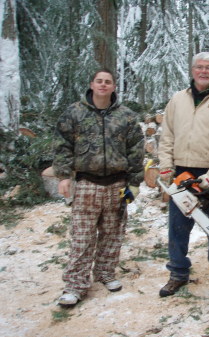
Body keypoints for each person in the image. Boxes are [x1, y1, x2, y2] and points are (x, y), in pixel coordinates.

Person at [53, 69, 144, 308]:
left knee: (113, 234)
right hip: (86, 183)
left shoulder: (127, 117)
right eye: (99, 81)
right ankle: (75, 285)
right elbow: (63, 146)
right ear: (92, 84)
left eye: (108, 82)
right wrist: (64, 176)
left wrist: (134, 183)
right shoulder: (74, 113)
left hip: (118, 184)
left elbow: (136, 150)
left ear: (114, 87)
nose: (103, 85)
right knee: (82, 237)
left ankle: (105, 273)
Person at [157, 52, 209, 303]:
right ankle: (178, 272)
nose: (203, 71)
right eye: (199, 67)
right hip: (181, 172)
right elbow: (167, 136)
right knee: (177, 228)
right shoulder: (177, 99)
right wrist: (165, 167)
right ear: (192, 70)